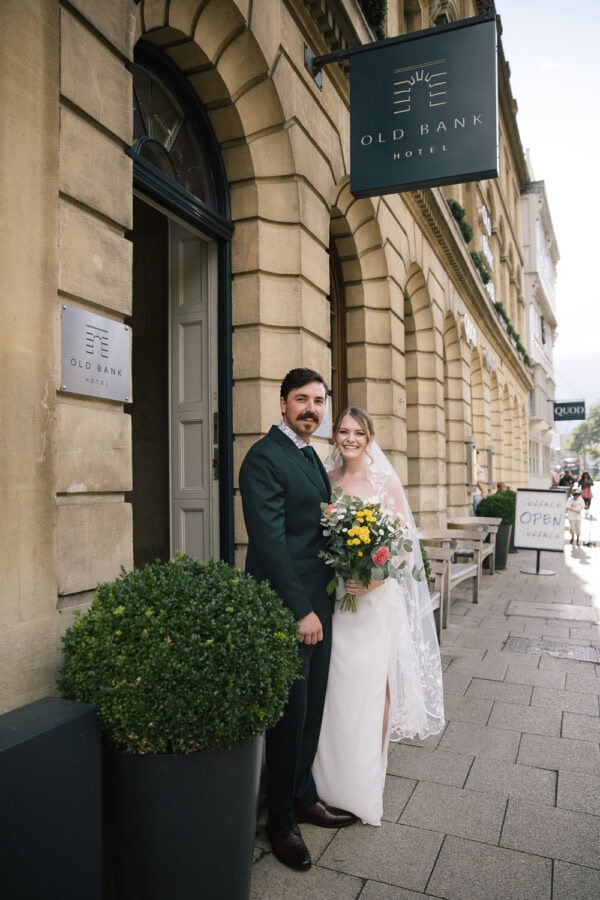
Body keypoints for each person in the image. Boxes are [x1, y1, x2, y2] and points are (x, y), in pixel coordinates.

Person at [238, 369, 356, 873]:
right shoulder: (264, 458)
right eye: (302, 400)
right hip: (289, 607)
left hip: (319, 599)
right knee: (290, 713)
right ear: (282, 403)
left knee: (311, 708)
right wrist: (301, 610)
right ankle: (280, 821)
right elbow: (270, 542)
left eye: (318, 401)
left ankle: (303, 795)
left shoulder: (308, 453)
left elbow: (316, 524)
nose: (312, 408)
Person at [312, 407, 445, 826]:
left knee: (374, 691)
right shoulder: (327, 482)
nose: (349, 438)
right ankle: (327, 783)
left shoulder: (385, 483)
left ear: (369, 438)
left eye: (357, 432)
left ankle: (366, 785)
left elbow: (404, 547)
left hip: (373, 604)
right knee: (338, 692)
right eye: (343, 431)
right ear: (335, 437)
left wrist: (371, 578)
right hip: (338, 604)